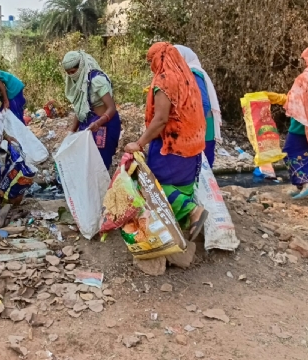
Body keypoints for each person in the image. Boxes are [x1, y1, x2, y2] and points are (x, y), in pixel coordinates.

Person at [125, 42, 208, 240]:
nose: (151, 66)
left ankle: (191, 211)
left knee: (153, 188)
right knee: (183, 188)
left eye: (150, 61)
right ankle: (179, 233)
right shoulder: (188, 77)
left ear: (159, 58)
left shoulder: (165, 79)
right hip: (193, 146)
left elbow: (161, 119)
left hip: (172, 147)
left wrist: (139, 143)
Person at [267, 47, 308, 199]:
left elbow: (295, 100)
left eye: (305, 59)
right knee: (307, 155)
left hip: (300, 124)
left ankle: (306, 184)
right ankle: (303, 186)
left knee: (290, 153)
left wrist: (277, 98)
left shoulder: (306, 77)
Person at [62, 50, 121, 170]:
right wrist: (71, 132)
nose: (71, 75)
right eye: (68, 73)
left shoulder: (96, 80)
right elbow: (80, 108)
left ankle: (103, 188)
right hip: (88, 125)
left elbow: (111, 108)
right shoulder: (78, 82)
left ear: (81, 66)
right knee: (86, 163)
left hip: (104, 125)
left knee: (99, 164)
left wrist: (99, 122)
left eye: (73, 72)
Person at [175, 45, 222, 167]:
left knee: (202, 166)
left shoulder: (193, 73)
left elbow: (203, 103)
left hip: (202, 127)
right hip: (200, 126)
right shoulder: (186, 73)